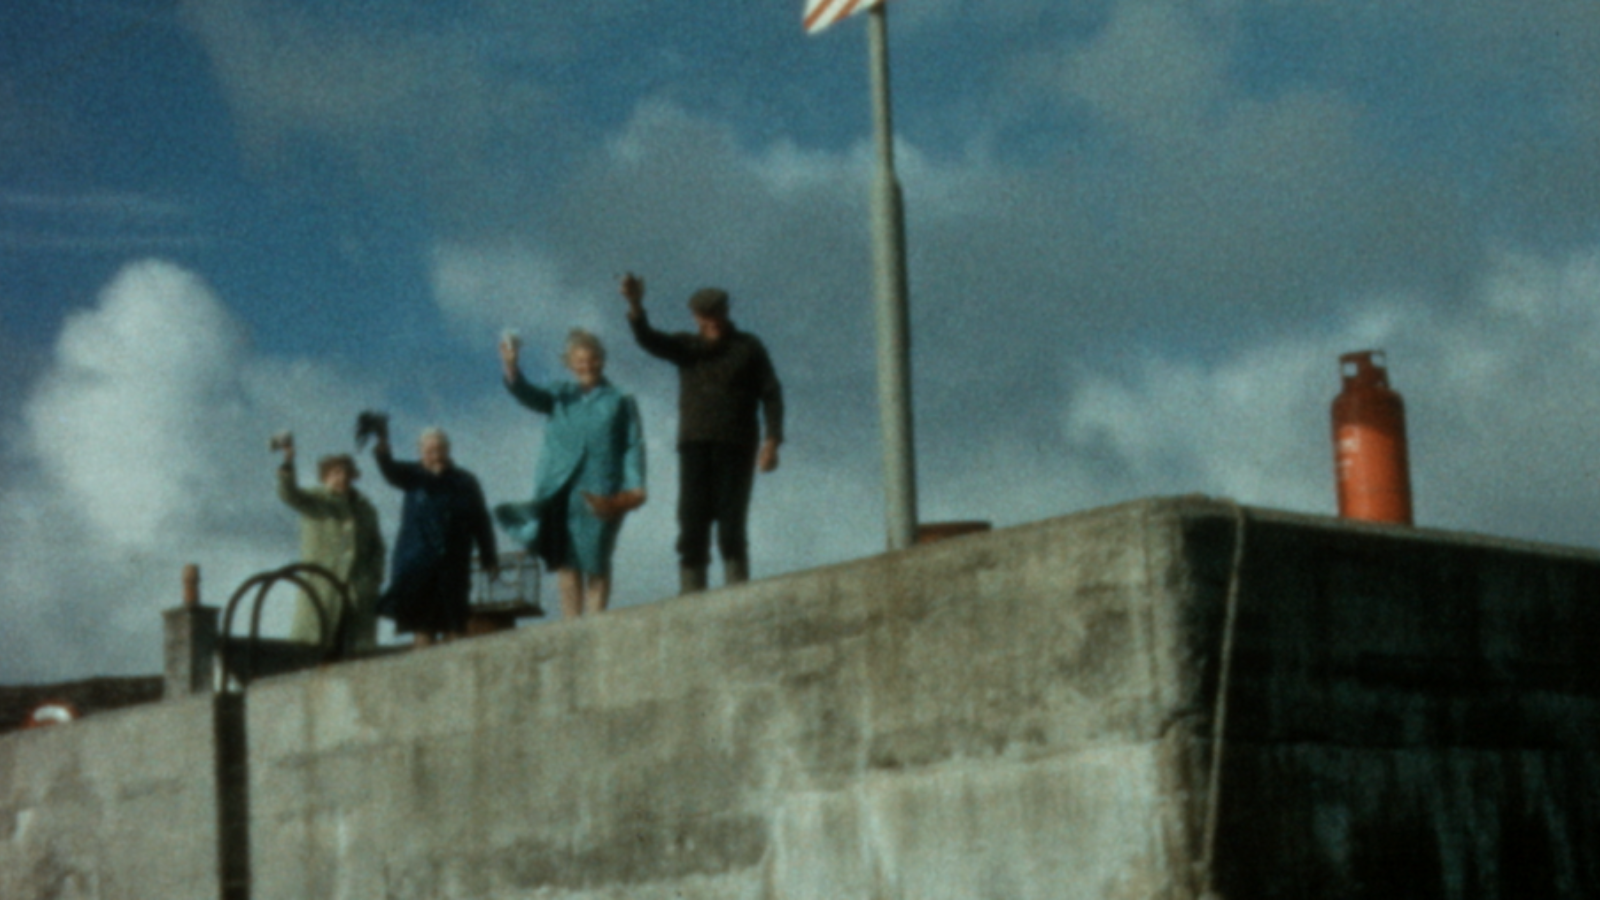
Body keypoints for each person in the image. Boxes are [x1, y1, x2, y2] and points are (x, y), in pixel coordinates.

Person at [620, 272, 784, 593]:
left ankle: (737, 590)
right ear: (696, 318)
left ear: (726, 312)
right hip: (694, 445)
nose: (713, 324)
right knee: (692, 524)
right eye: (705, 318)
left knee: (731, 524)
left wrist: (772, 441)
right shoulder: (686, 346)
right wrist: (635, 304)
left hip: (737, 446)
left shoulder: (748, 347)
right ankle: (691, 596)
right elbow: (649, 339)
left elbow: (772, 393)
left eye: (718, 315)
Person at [494, 329, 647, 617]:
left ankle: (596, 622)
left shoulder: (620, 399)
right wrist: (512, 366)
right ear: (569, 363)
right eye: (578, 360)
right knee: (566, 559)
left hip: (603, 487)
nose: (585, 365)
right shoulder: (559, 394)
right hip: (559, 485)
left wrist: (636, 485)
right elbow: (527, 394)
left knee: (597, 557)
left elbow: (632, 445)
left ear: (601, 361)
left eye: (591, 359)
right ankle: (570, 626)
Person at [372, 424, 498, 647]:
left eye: (440, 450)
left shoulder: (466, 481)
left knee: (455, 627)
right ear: (421, 453)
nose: (436, 456)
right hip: (417, 563)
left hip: (454, 565)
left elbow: (481, 520)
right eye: (430, 451)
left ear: (448, 450)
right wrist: (382, 450)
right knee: (423, 628)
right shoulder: (412, 475)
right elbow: (389, 470)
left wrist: (489, 556)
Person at [274, 437, 386, 655]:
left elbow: (378, 547)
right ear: (325, 477)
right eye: (335, 473)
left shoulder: (366, 509)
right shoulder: (316, 500)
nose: (341, 478)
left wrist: (373, 578)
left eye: (345, 473)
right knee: (315, 648)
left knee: (357, 652)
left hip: (358, 592)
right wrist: (288, 463)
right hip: (322, 588)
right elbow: (289, 494)